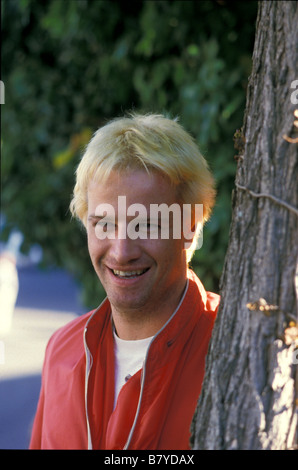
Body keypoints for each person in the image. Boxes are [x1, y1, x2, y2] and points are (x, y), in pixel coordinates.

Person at [29, 113, 220, 450]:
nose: (121, 252)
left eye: (146, 225)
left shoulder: (238, 344)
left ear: (189, 227)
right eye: (103, 224)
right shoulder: (61, 349)